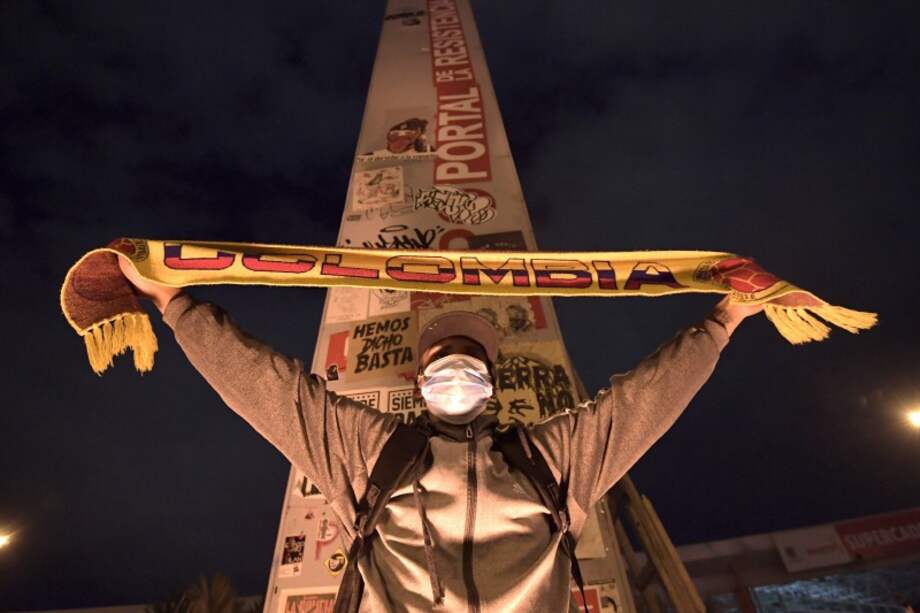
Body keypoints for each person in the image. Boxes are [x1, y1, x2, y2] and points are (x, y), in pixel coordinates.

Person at [118, 256, 762, 612]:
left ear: (490, 378)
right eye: (442, 359)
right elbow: (268, 387)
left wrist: (725, 320)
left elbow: (643, 399)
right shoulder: (373, 451)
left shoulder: (550, 458)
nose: (457, 368)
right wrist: (174, 305)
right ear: (420, 378)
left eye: (470, 358)